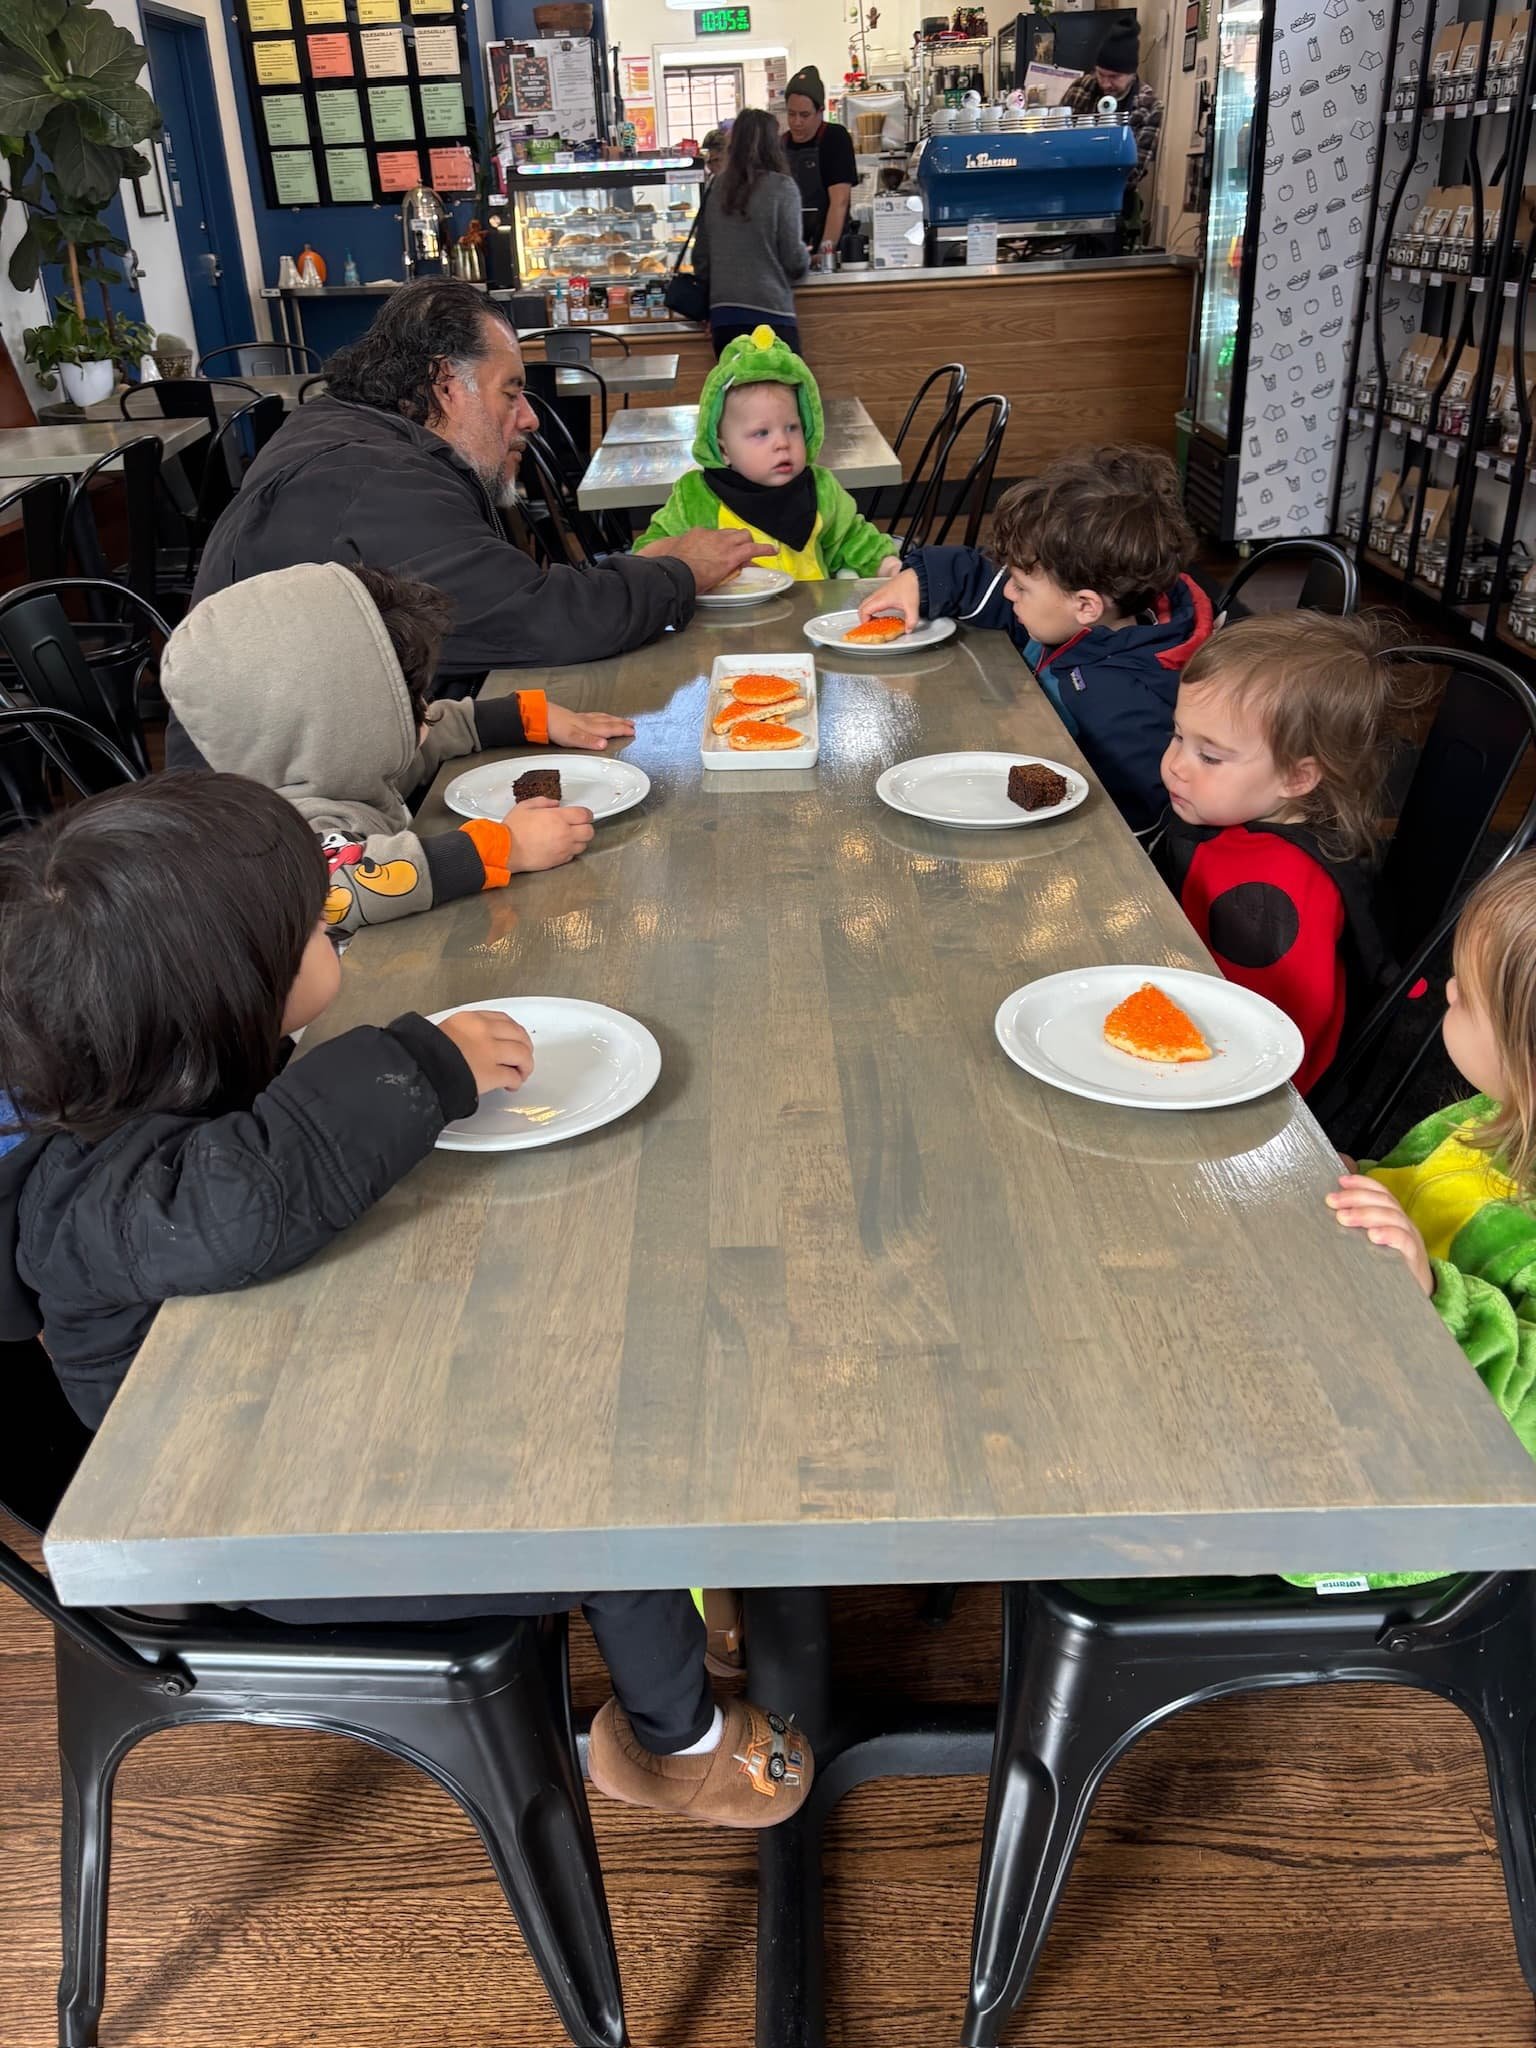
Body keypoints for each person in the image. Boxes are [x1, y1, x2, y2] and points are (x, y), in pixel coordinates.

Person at [0, 772, 814, 1826]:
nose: (334, 921)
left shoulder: (143, 1080)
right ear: (226, 991)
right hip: (259, 1524)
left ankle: (696, 1591)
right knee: (616, 1508)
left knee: (590, 1373)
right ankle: (679, 1746)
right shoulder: (97, 1192)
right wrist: (423, 1064)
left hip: (296, 1418)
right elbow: (250, 1196)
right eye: (311, 924)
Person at [188, 281, 772, 691]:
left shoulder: (349, 436)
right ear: (446, 383)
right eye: (510, 391)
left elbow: (496, 599)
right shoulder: (379, 484)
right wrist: (681, 572)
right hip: (289, 821)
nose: (530, 417)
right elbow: (541, 619)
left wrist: (645, 569)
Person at [1289, 854, 1536, 1590]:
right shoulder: (1491, 1119)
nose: (1448, 990)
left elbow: (1519, 1413)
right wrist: (1359, 1181)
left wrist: (1436, 1298)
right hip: (1351, 1353)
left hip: (1408, 1495)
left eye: (1469, 997)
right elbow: (1417, 1196)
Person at [161, 560, 628, 934]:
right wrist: (504, 847)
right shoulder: (287, 836)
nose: (424, 708)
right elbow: (340, 887)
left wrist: (518, 717)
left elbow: (414, 746)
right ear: (339, 726)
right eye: (405, 701)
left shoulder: (334, 769)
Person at [860, 445, 1212, 831]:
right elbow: (983, 579)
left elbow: (1132, 824)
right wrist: (921, 581)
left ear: (1086, 606)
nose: (1008, 591)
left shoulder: (1127, 708)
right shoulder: (1073, 611)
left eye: (1022, 587)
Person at [1152, 612, 1412, 1097]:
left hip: (1240, 1083)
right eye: (1178, 736)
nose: (1176, 765)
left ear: (1296, 777)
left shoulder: (1277, 893)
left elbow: (1278, 1038)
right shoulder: (1235, 819)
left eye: (1210, 756)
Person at [633, 324, 901, 580]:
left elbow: (853, 539)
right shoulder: (695, 497)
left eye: (792, 427)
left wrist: (887, 565)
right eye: (762, 433)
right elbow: (650, 553)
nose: (782, 443)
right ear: (723, 450)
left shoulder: (821, 488)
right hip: (732, 613)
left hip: (812, 610)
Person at [693, 109, 810, 359]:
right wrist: (807, 258)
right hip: (772, 312)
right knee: (781, 383)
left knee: (735, 384)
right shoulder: (782, 187)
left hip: (724, 318)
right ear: (773, 145)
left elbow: (701, 258)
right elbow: (793, 259)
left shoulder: (716, 187)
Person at [1061, 23, 1164, 239]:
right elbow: (1059, 140)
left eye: (1114, 77)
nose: (1106, 83)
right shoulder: (1080, 88)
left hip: (1115, 204)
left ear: (1132, 74)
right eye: (1101, 74)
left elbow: (1136, 168)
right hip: (1068, 198)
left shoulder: (1149, 106)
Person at [782, 66, 858, 263]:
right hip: (792, 254)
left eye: (804, 115)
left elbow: (839, 201)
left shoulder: (835, 138)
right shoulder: (780, 145)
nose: (797, 122)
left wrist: (825, 253)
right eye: (791, 114)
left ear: (820, 112)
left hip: (831, 249)